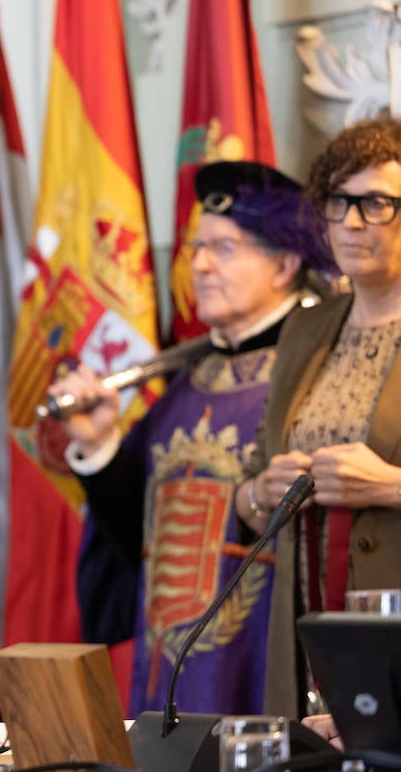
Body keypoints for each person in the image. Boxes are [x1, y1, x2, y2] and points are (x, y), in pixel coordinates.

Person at [49, 161, 339, 716]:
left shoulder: (316, 376)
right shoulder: (185, 386)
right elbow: (139, 537)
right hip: (168, 677)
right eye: (196, 247)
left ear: (284, 263)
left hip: (272, 674)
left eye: (223, 248)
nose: (199, 265)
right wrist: (101, 446)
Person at [236, 117, 401, 718]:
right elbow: (249, 491)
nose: (353, 223)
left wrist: (389, 486)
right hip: (303, 639)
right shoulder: (306, 328)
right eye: (339, 202)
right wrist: (262, 491)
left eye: (377, 203)